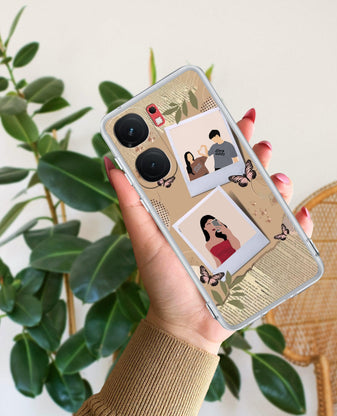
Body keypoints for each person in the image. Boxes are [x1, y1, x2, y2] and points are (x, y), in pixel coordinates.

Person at [76, 108, 313, 416]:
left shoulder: (223, 232)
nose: (214, 226)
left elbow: (234, 239)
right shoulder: (211, 243)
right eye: (210, 225)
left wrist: (184, 329)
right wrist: (186, 331)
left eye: (214, 223)